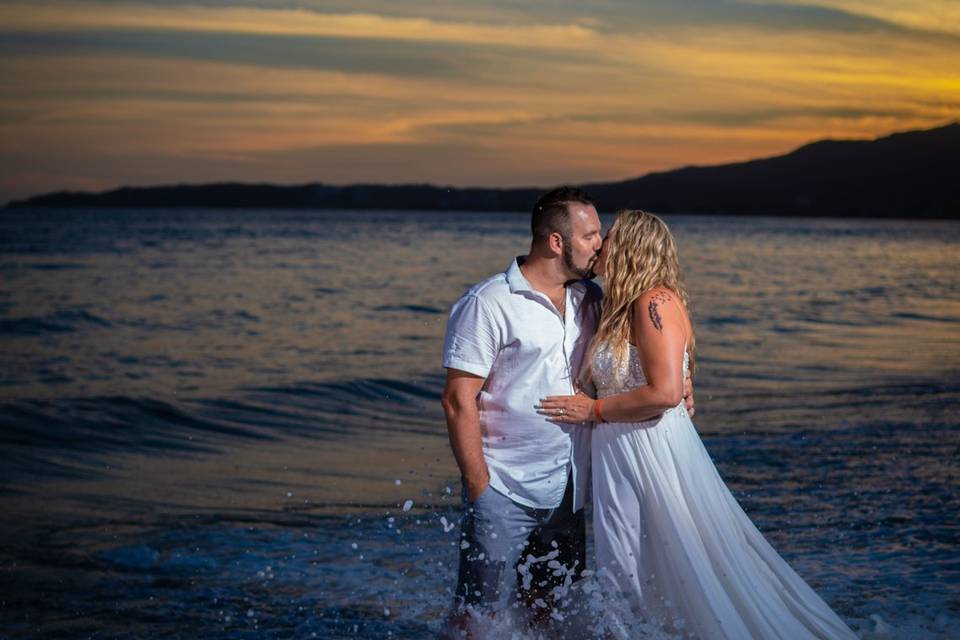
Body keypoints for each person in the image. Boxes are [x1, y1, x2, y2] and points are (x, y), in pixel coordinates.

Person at [540, 210, 858, 639]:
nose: (600, 244)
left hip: (650, 447)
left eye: (609, 237)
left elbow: (666, 392)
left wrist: (592, 412)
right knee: (626, 562)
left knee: (670, 558)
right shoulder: (618, 306)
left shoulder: (656, 302)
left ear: (632, 246)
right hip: (618, 451)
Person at [439, 186, 603, 636]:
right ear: (556, 241)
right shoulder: (488, 302)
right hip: (504, 489)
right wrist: (480, 487)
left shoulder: (589, 299)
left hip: (568, 489)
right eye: (590, 235)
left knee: (549, 610)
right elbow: (457, 399)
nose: (599, 245)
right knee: (476, 615)